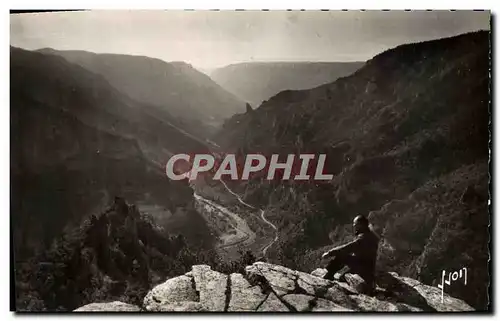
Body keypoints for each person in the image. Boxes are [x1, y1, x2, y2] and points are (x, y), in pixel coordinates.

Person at [321, 215, 379, 293]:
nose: (353, 225)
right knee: (343, 277)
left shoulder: (363, 238)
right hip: (368, 267)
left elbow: (348, 248)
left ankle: (329, 275)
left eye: (355, 223)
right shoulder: (371, 236)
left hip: (362, 267)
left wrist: (330, 253)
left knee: (342, 255)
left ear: (361, 225)